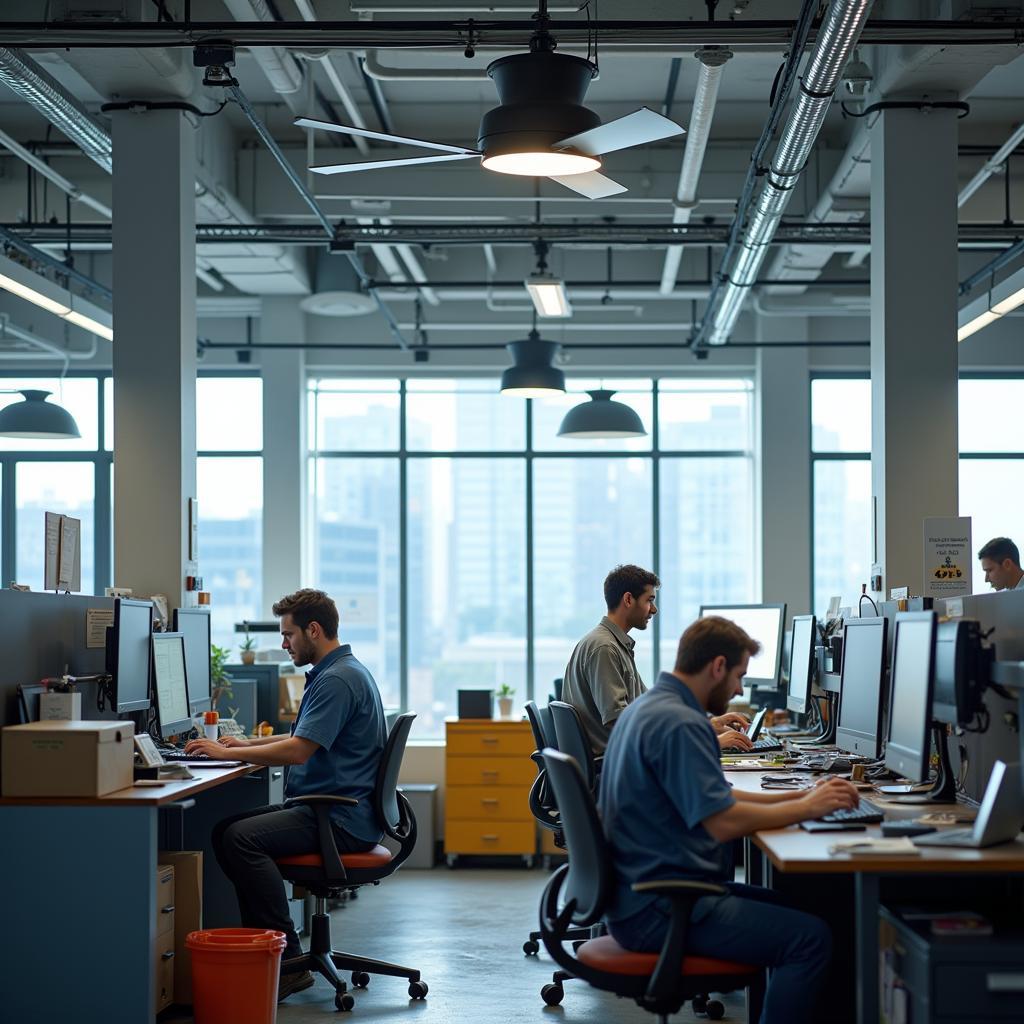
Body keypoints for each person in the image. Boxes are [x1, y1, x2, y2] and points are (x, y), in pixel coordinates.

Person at [599, 616, 859, 1024]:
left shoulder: (654, 708)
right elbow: (720, 822)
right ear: (717, 666)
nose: (739, 689)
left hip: (645, 894)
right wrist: (808, 809)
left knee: (808, 906)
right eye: (739, 675)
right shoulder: (680, 724)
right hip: (661, 908)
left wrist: (805, 795)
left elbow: (715, 799)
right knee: (810, 938)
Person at [184, 589, 386, 1002]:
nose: (283, 643)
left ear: (313, 630)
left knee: (238, 838)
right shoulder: (342, 670)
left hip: (338, 820)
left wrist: (226, 751)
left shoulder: (336, 680)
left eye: (288, 634)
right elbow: (300, 736)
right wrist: (240, 747)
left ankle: (289, 962)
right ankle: (270, 953)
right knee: (227, 829)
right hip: (335, 810)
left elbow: (298, 751)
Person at [561, 564, 752, 755]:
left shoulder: (614, 644)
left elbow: (651, 708)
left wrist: (707, 724)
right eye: (649, 600)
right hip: (615, 765)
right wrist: (707, 741)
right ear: (628, 599)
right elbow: (621, 722)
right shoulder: (604, 648)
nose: (654, 609)